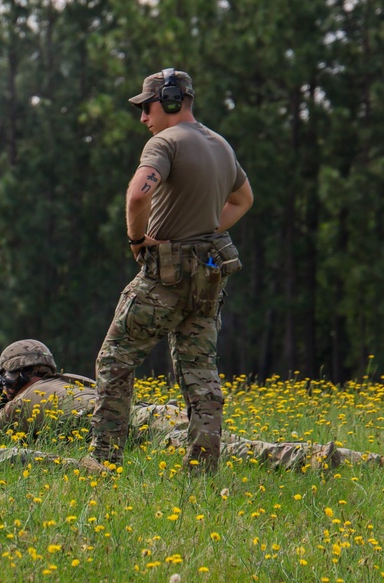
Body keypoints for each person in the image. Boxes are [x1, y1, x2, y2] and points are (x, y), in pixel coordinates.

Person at [89, 68, 254, 474]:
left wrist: (137, 239)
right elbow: (244, 199)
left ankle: (104, 460)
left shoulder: (165, 143)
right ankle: (202, 471)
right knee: (201, 373)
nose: (143, 118)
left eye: (146, 107)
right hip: (208, 274)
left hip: (164, 275)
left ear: (169, 101)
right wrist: (202, 230)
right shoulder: (220, 145)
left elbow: (137, 193)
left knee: (115, 359)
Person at [0, 340, 384, 473]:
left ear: (15, 378)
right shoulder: (72, 382)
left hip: (152, 435)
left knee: (260, 456)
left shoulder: (25, 403)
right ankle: (377, 461)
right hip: (161, 415)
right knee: (255, 449)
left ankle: (376, 465)